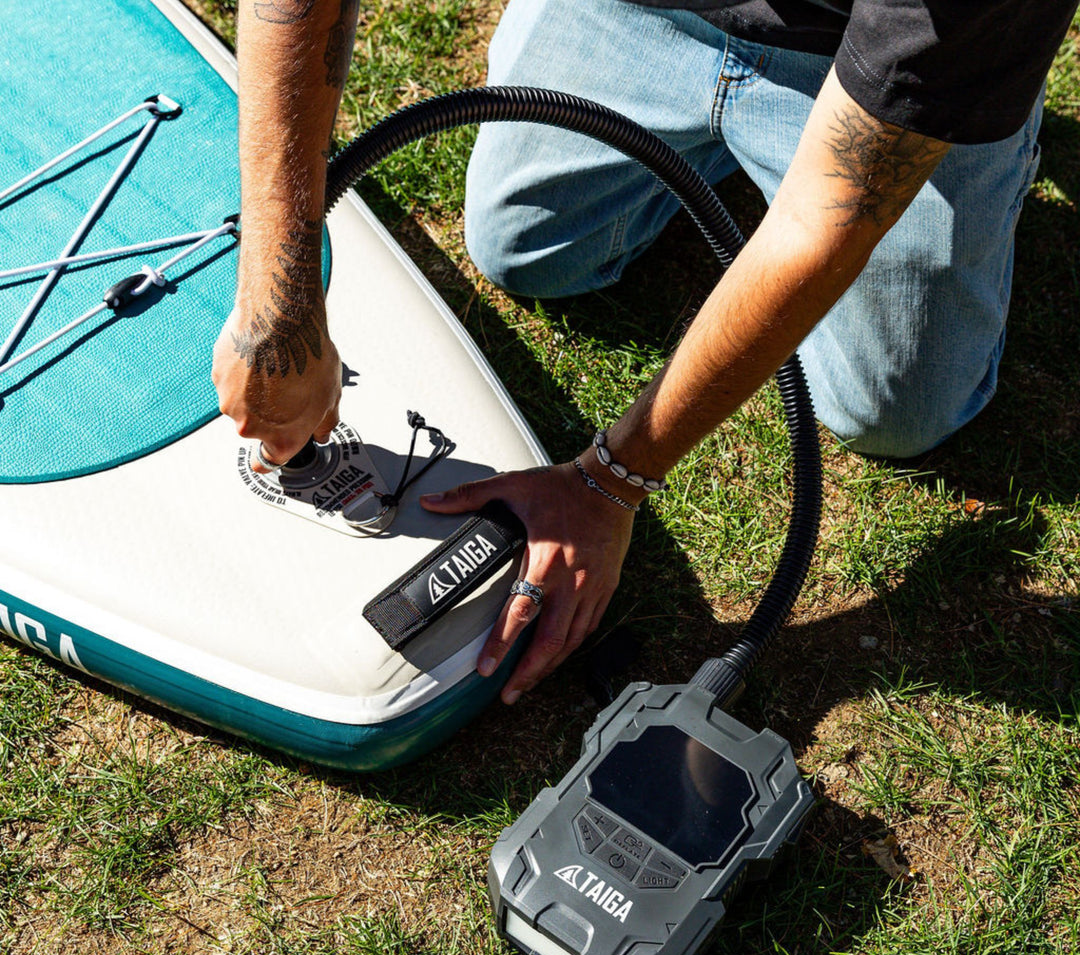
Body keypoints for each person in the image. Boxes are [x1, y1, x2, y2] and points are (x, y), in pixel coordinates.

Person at [212, 0, 1077, 705]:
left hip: (879, 62)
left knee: (896, 413)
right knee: (524, 248)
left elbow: (824, 222)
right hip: (643, 12)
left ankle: (971, 117)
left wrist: (607, 481)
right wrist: (275, 302)